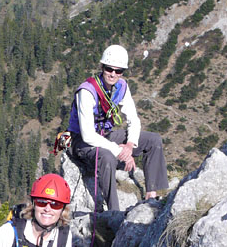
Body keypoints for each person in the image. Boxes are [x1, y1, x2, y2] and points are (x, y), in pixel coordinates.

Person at [67, 44, 168, 211]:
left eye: (118, 71)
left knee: (153, 140)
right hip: (82, 142)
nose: (113, 74)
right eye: (109, 69)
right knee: (107, 157)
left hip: (105, 135)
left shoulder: (121, 87)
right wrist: (119, 151)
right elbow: (87, 135)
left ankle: (152, 194)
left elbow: (133, 118)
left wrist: (130, 145)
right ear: (102, 67)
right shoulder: (87, 92)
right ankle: (114, 212)